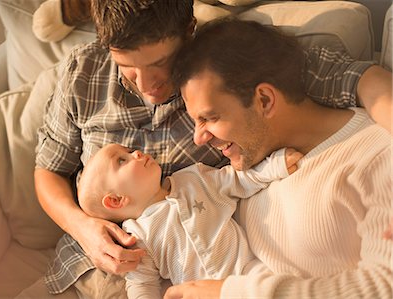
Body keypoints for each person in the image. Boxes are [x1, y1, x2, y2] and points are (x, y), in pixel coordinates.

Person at [32, 0, 392, 297]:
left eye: (159, 65)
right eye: (127, 68)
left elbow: (357, 78)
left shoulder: (224, 66)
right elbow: (48, 169)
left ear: (188, 32)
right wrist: (83, 227)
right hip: (82, 264)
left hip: (184, 274)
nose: (147, 86)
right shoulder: (82, 70)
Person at [163, 18, 392, 299]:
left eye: (209, 118)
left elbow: (384, 287)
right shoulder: (253, 155)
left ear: (265, 101)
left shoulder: (378, 156)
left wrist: (230, 293)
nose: (199, 138)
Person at [71, 143, 302, 298]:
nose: (137, 153)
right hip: (199, 293)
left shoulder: (194, 178)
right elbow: (142, 283)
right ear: (115, 200)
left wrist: (275, 165)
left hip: (247, 271)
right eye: (122, 161)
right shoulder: (136, 236)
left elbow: (238, 179)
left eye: (130, 151)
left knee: (275, 289)